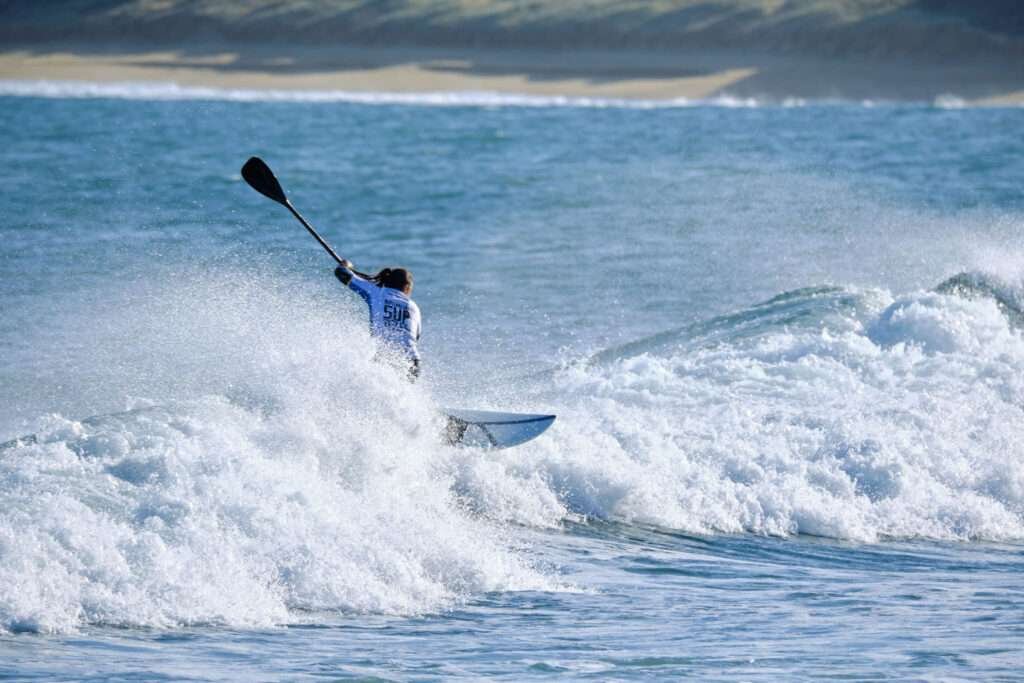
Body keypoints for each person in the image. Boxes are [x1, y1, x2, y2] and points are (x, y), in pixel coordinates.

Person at [334, 259, 422, 379]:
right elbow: (415, 337)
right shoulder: (413, 306)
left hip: (387, 359)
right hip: (413, 362)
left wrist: (346, 265)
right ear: (407, 287)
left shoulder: (376, 292)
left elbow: (342, 273)